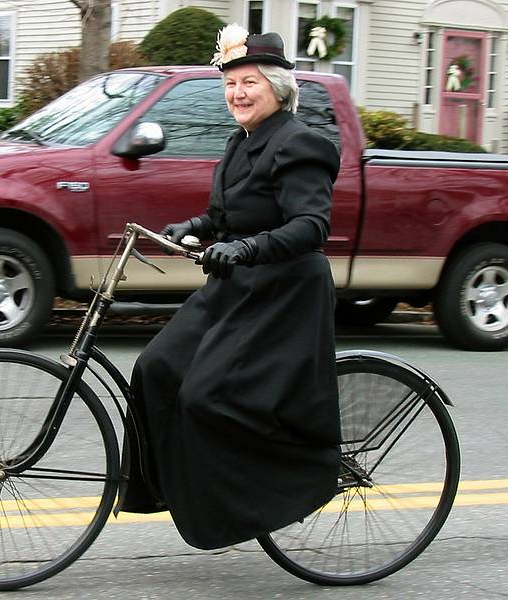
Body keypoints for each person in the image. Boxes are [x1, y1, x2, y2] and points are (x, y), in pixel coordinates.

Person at [117, 27, 342, 551]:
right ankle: (179, 489)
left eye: (249, 82)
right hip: (236, 287)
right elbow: (227, 216)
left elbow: (311, 226)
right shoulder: (240, 143)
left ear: (278, 88)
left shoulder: (299, 143)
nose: (237, 93)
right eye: (230, 83)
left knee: (203, 397)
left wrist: (246, 248)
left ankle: (245, 505)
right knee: (154, 370)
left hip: (282, 293)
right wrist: (193, 227)